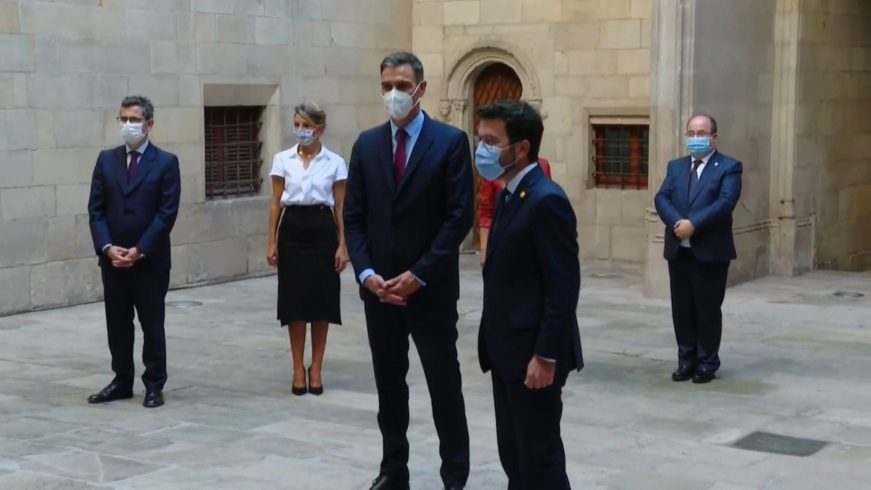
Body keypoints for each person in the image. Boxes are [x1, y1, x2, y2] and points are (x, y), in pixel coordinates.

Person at [343, 52, 473, 490]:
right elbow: (354, 217)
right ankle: (393, 469)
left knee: (443, 384)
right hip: (379, 291)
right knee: (388, 387)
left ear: (421, 88)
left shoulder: (450, 143)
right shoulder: (366, 145)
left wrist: (419, 274)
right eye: (386, 86)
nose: (393, 94)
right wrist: (366, 274)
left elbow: (459, 218)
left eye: (401, 85)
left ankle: (454, 473)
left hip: (429, 290)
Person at [475, 100, 582, 490]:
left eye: (490, 141)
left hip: (533, 356)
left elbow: (562, 286)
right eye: (480, 139)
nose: (482, 149)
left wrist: (546, 355)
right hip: (506, 351)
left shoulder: (545, 199)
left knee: (539, 459)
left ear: (520, 149)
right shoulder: (509, 193)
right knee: (515, 456)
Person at [87, 95, 181, 409]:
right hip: (113, 260)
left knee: (152, 323)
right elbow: (96, 210)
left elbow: (165, 214)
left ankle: (154, 383)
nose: (128, 125)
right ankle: (121, 380)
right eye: (123, 119)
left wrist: (140, 250)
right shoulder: (106, 160)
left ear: (149, 124)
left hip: (148, 261)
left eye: (135, 120)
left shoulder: (166, 162)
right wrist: (107, 247)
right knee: (118, 323)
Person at [267, 102, 349, 396]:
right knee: (295, 303)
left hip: (322, 229)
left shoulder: (335, 162)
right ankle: (296, 366)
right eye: (297, 125)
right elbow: (276, 202)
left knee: (321, 302)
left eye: (306, 126)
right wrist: (271, 241)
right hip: (292, 230)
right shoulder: (282, 159)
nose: (301, 131)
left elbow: (340, 206)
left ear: (320, 129)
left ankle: (316, 367)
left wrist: (343, 244)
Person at [654, 114, 743, 384]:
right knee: (682, 308)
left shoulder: (729, 167)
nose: (695, 138)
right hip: (679, 250)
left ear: (713, 136)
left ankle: (707, 362)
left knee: (707, 307)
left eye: (701, 133)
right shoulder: (676, 167)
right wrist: (676, 222)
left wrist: (694, 224)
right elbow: (662, 197)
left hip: (710, 251)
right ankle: (686, 359)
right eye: (691, 133)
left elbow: (725, 202)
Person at [478, 156, 552, 266]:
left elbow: (546, 208)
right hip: (501, 240)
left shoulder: (542, 166)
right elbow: (486, 212)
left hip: (532, 241)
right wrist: (484, 249)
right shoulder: (492, 169)